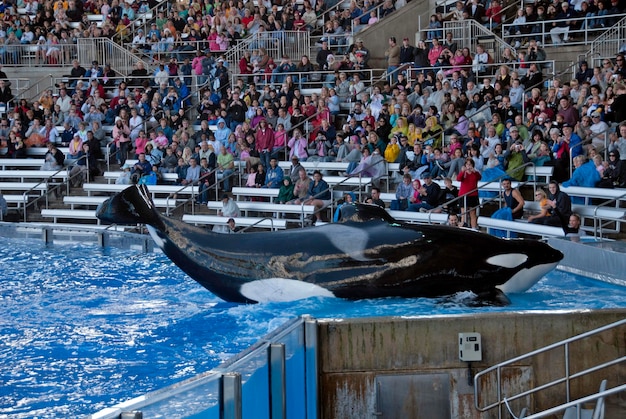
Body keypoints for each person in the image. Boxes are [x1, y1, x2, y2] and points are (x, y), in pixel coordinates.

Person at [457, 158, 482, 229]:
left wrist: (474, 172)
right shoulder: (463, 172)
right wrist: (462, 171)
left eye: (470, 164)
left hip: (473, 195)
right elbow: (458, 179)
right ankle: (463, 228)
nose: (469, 166)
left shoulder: (475, 173)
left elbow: (479, 177)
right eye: (467, 164)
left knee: (472, 213)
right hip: (463, 195)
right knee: (464, 213)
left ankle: (473, 228)